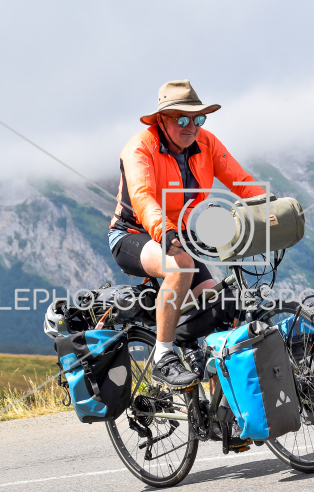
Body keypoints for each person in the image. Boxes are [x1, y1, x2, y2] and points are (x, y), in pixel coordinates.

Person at [108, 80, 265, 389]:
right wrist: (164, 231)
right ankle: (163, 357)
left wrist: (272, 208)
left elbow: (241, 181)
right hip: (133, 233)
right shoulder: (140, 147)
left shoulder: (206, 143)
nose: (191, 127)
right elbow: (142, 197)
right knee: (180, 266)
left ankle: (221, 404)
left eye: (198, 119)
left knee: (220, 308)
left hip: (176, 234)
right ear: (161, 119)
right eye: (182, 119)